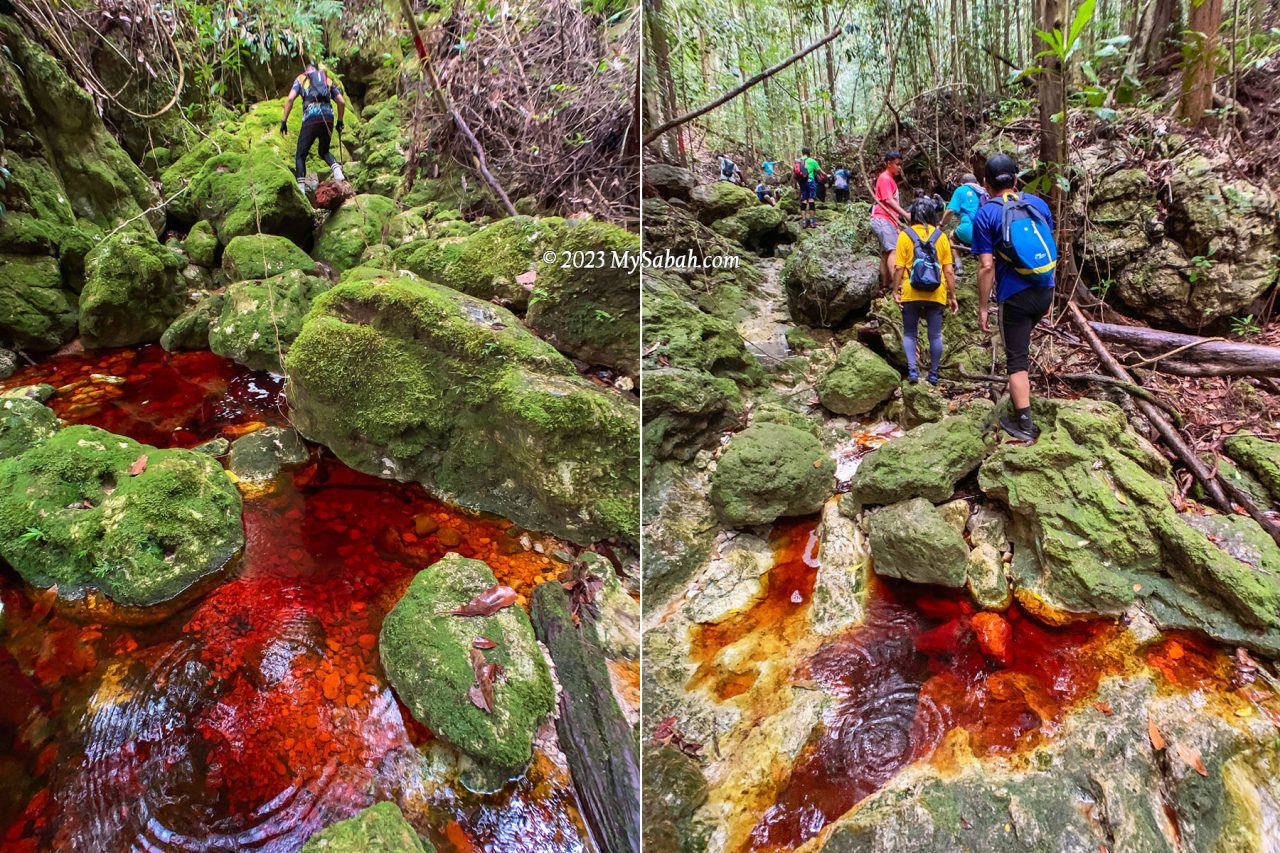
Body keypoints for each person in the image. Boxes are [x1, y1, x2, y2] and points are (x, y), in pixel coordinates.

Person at [971, 153, 1058, 441]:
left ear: (986, 184)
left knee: (1016, 360)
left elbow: (986, 266)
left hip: (1015, 297)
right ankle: (1019, 398)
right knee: (1020, 346)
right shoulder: (1038, 204)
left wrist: (983, 307)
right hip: (1045, 290)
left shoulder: (986, 214)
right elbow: (1047, 246)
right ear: (1017, 179)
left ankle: (1024, 425)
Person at [893, 196, 958, 385]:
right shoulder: (942, 238)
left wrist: (895, 291)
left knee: (910, 333)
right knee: (935, 335)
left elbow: (898, 267)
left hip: (910, 291)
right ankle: (934, 374)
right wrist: (952, 296)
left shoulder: (905, 235)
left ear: (913, 215)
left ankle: (913, 371)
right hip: (936, 292)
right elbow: (949, 271)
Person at [281, 61, 347, 194]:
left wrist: (284, 121)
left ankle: (301, 189)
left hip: (311, 117)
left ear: (306, 70)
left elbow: (290, 99)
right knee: (324, 151)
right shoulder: (326, 79)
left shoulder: (301, 78)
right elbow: (341, 101)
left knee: (300, 155)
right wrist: (339, 121)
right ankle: (338, 173)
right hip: (328, 116)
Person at [871, 151, 911, 293]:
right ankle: (898, 285)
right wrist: (905, 214)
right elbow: (888, 200)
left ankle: (885, 286)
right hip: (882, 219)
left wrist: (896, 224)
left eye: (901, 165)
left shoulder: (889, 179)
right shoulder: (885, 178)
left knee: (887, 253)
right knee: (893, 250)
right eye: (897, 164)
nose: (900, 168)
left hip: (885, 220)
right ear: (889, 163)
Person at [941, 172, 987, 274]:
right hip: (986, 231)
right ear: (976, 182)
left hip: (969, 230)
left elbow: (950, 211)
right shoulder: (985, 191)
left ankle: (959, 266)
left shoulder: (961, 190)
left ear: (962, 183)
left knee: (952, 236)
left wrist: (941, 225)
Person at [796, 148, 822, 228]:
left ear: (802, 153)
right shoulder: (812, 161)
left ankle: (804, 222)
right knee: (811, 199)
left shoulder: (798, 161)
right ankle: (812, 222)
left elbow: (795, 173)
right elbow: (819, 171)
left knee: (804, 199)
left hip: (801, 182)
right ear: (809, 153)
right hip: (810, 181)